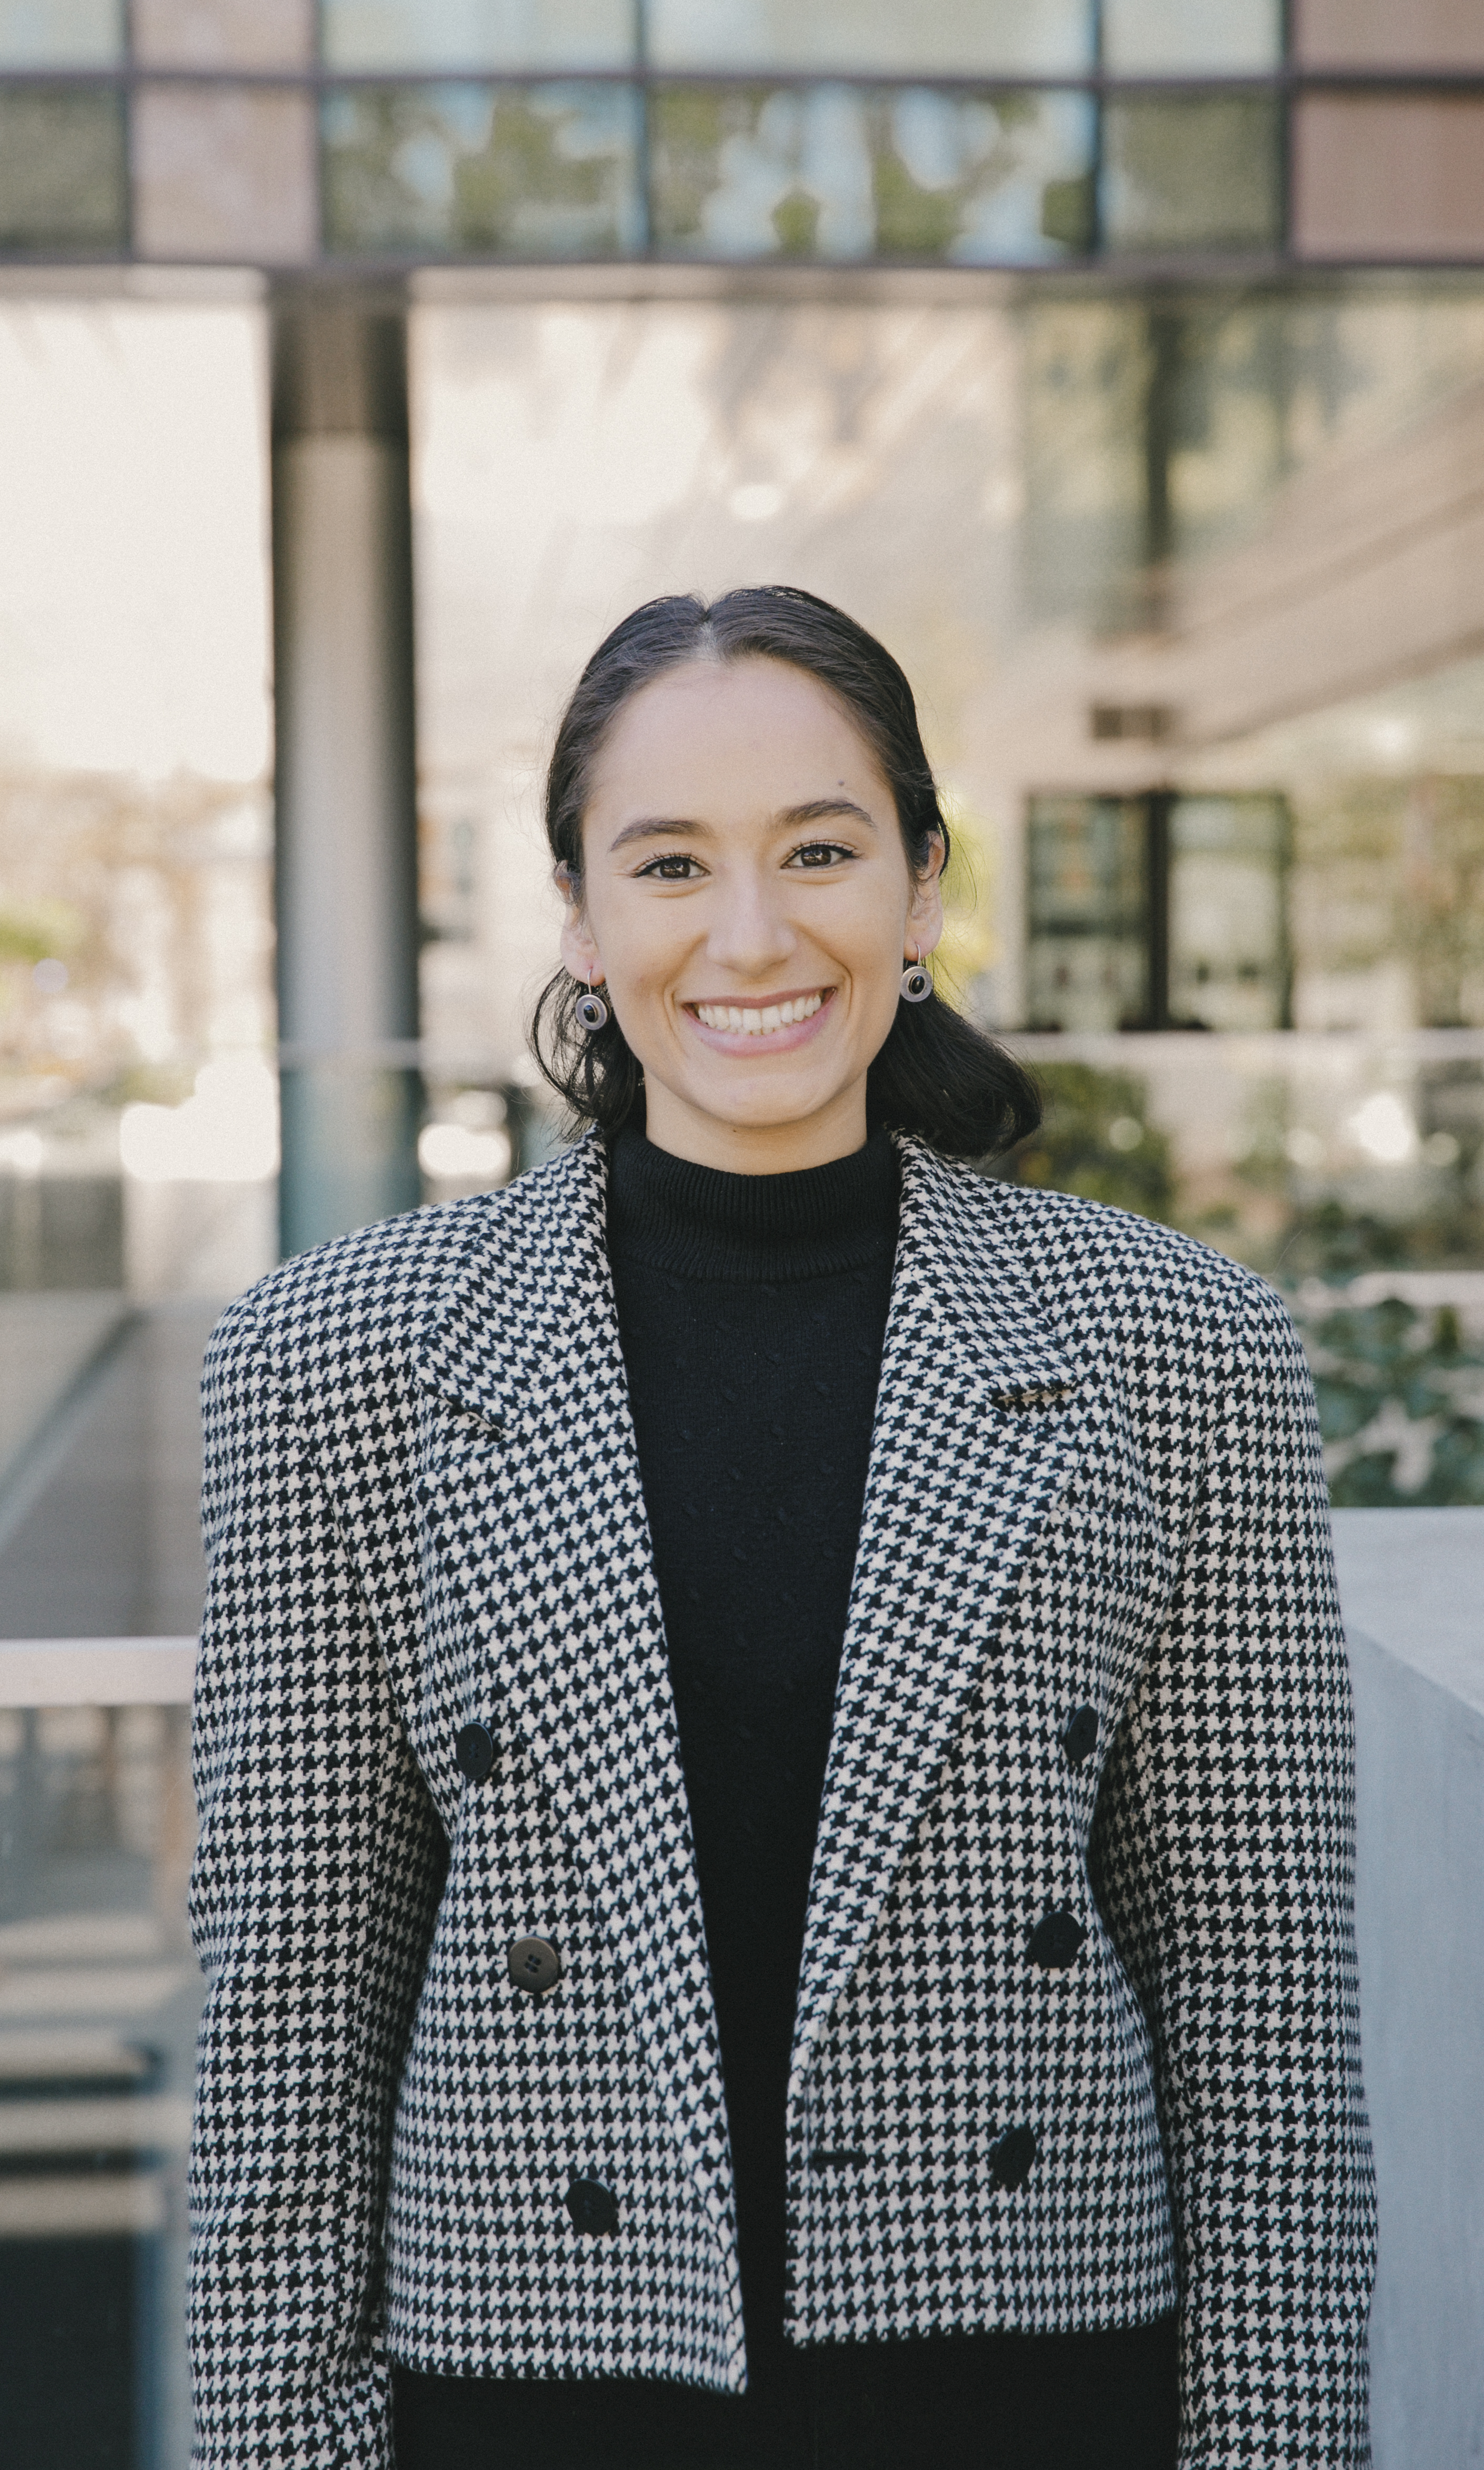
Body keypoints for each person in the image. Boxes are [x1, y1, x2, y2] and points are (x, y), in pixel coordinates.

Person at [187, 586, 1376, 2470]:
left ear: (917, 891)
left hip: (1028, 2385)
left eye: (819, 850)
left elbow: (1264, 2029)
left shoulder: (1174, 1344)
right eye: (668, 864)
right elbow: (285, 2035)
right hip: (529, 2391)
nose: (752, 935)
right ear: (579, 915)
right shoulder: (340, 1360)